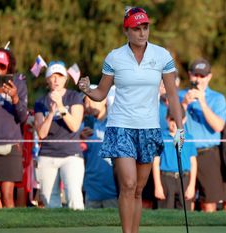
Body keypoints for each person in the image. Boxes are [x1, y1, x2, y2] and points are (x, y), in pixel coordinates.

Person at [77, 7, 184, 233]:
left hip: (148, 128)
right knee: (127, 184)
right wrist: (87, 89)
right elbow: (101, 93)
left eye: (145, 27)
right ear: (126, 31)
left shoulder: (162, 55)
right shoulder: (114, 57)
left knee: (138, 189)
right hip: (120, 126)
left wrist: (180, 129)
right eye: (136, 29)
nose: (142, 33)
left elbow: (172, 95)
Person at [34, 61, 85, 210]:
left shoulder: (74, 97)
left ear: (65, 79)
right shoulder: (40, 102)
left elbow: (74, 126)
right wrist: (51, 113)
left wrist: (61, 107)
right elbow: (41, 134)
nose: (56, 79)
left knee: (74, 197)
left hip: (71, 155)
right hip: (47, 155)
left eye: (60, 76)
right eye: (52, 76)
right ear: (47, 79)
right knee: (49, 199)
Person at [180, 58, 226, 212]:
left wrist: (203, 102)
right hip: (185, 152)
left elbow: (218, 126)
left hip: (208, 154)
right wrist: (184, 104)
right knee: (186, 199)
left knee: (209, 202)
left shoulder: (218, 98)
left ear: (209, 77)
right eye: (196, 75)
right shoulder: (179, 95)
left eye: (202, 76)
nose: (198, 80)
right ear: (189, 75)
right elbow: (173, 124)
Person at [0, 48, 28, 208]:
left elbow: (23, 117)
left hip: (10, 145)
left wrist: (15, 97)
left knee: (7, 195)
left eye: (1, 66)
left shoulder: (18, 83)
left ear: (9, 66)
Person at [81, 85, 118, 208]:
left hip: (114, 191)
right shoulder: (83, 127)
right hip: (91, 192)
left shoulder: (116, 123)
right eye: (86, 101)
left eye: (92, 99)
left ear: (104, 100)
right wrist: (79, 139)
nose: (89, 104)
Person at [153, 106, 197, 210]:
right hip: (166, 179)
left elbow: (193, 163)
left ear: (184, 119)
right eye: (172, 119)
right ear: (166, 119)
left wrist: (191, 186)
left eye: (178, 120)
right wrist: (158, 186)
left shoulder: (188, 137)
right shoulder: (160, 137)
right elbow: (155, 163)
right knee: (165, 215)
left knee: (185, 214)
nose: (174, 123)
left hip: (184, 179)